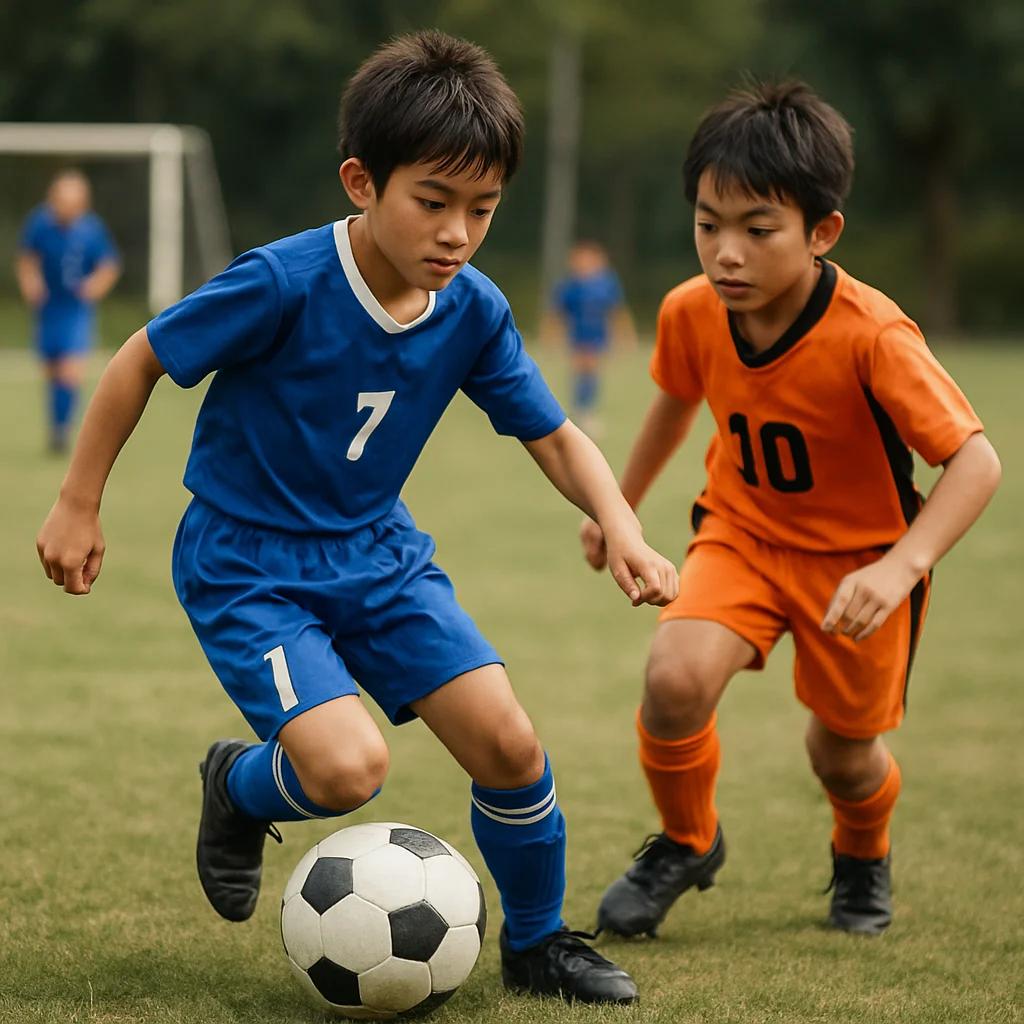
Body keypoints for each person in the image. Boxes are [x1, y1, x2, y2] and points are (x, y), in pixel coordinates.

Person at [35, 31, 680, 1006]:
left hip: (379, 553)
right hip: (249, 564)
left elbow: (551, 434)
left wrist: (620, 524)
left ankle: (538, 942)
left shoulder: (472, 310)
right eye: (433, 201)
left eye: (483, 209)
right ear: (360, 183)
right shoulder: (283, 282)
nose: (458, 232)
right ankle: (239, 786)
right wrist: (78, 501)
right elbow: (139, 361)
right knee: (348, 770)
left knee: (509, 745)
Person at [580, 81, 1001, 939]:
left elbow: (975, 461)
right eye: (708, 225)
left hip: (861, 567)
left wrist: (900, 566)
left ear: (821, 232)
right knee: (673, 679)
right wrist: (618, 506)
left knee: (839, 756)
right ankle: (690, 840)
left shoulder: (873, 336)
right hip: (741, 536)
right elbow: (673, 401)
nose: (726, 253)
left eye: (757, 229)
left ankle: (861, 854)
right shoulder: (690, 312)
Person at [16, 169, 121, 453]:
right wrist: (32, 284)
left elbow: (109, 265)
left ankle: (63, 432)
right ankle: (57, 425)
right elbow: (27, 259)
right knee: (52, 370)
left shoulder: (92, 229)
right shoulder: (39, 223)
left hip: (75, 310)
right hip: (49, 307)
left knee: (69, 371)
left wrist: (94, 286)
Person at [544, 240, 637, 436]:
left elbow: (616, 311)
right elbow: (557, 313)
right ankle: (579, 410)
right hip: (578, 334)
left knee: (591, 371)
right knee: (580, 370)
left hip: (597, 335)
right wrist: (551, 337)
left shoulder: (607, 284)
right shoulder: (569, 286)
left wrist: (626, 336)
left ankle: (585, 411)